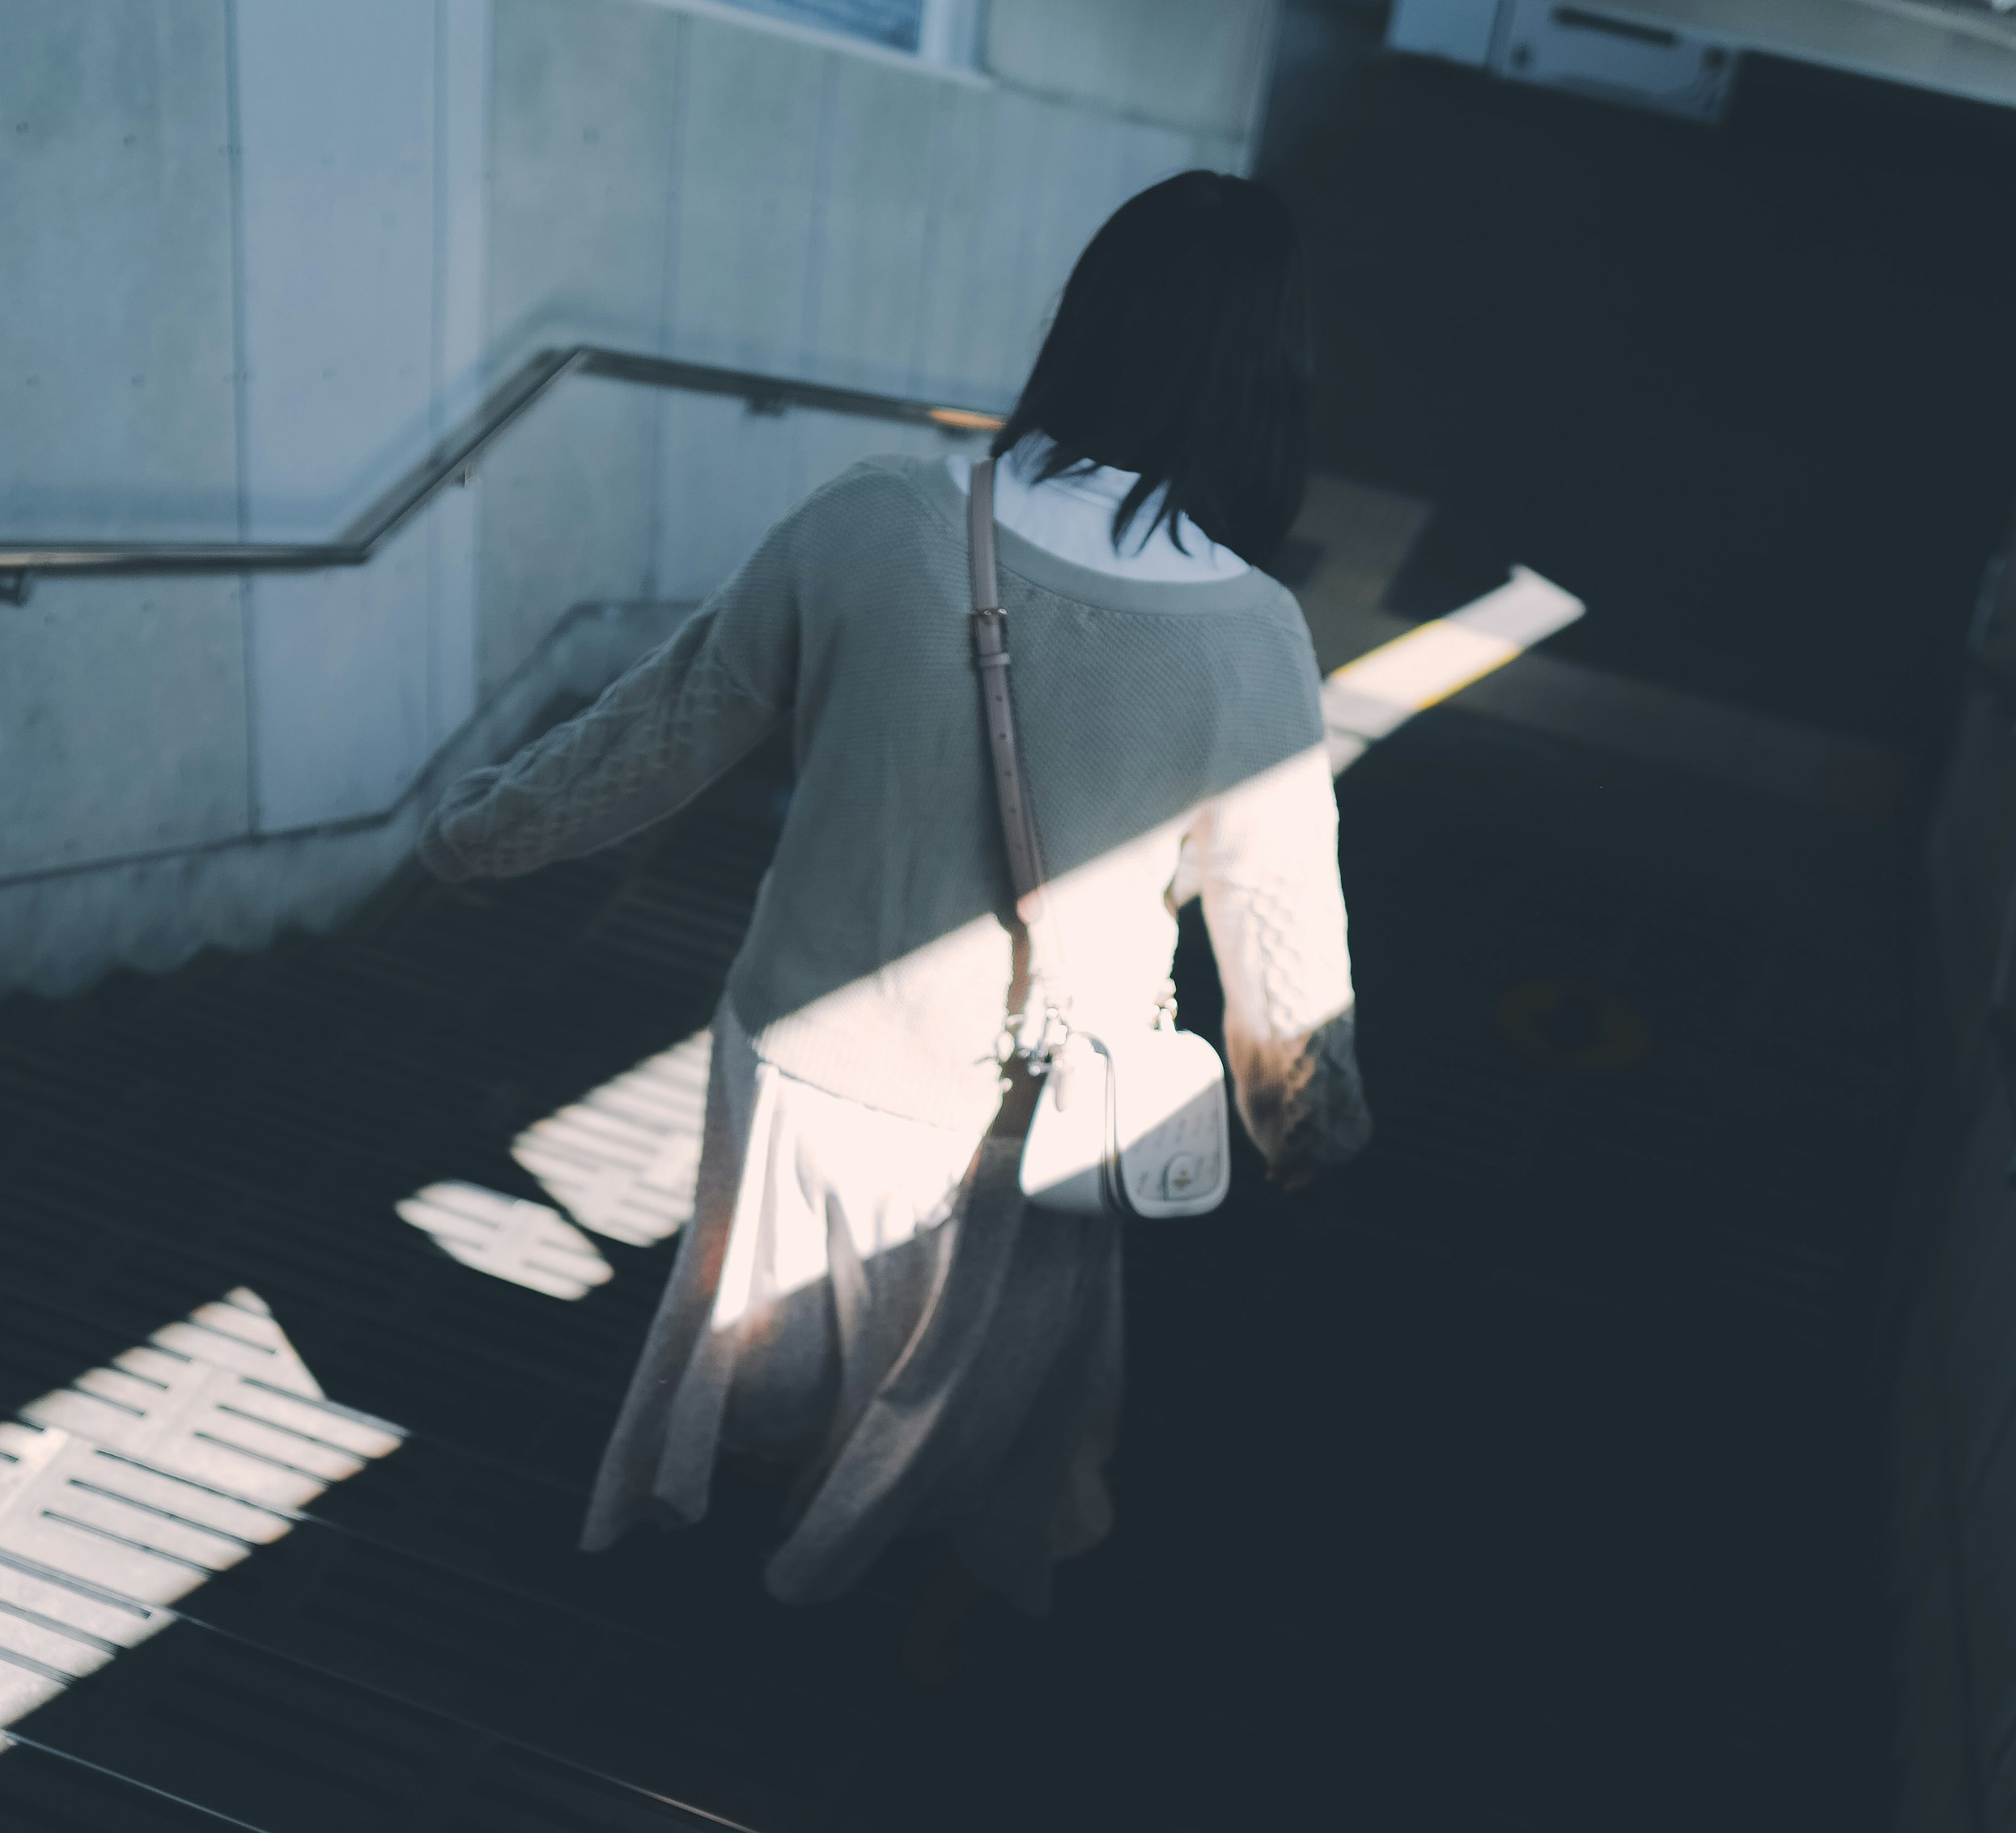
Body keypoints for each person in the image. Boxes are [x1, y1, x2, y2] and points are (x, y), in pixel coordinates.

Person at [422, 168, 1369, 1612]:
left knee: (763, 1346)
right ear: (1271, 384)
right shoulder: (1252, 639)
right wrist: (1304, 1129)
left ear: (1087, 325)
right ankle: (854, 1596)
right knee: (966, 1406)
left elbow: (666, 725)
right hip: (1034, 1113)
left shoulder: (880, 516)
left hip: (799, 1053)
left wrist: (482, 833)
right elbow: (1283, 951)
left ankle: (712, 1563)